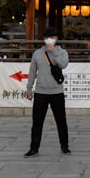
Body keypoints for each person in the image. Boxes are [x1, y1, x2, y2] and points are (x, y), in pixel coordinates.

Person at [24, 26, 70, 156]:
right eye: (47, 38)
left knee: (61, 121)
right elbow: (32, 71)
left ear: (57, 38)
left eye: (53, 37)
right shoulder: (38, 53)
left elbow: (63, 64)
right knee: (37, 122)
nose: (50, 40)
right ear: (44, 39)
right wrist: (29, 88)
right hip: (40, 92)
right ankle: (34, 148)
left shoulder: (61, 52)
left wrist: (54, 51)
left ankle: (65, 146)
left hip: (57, 92)